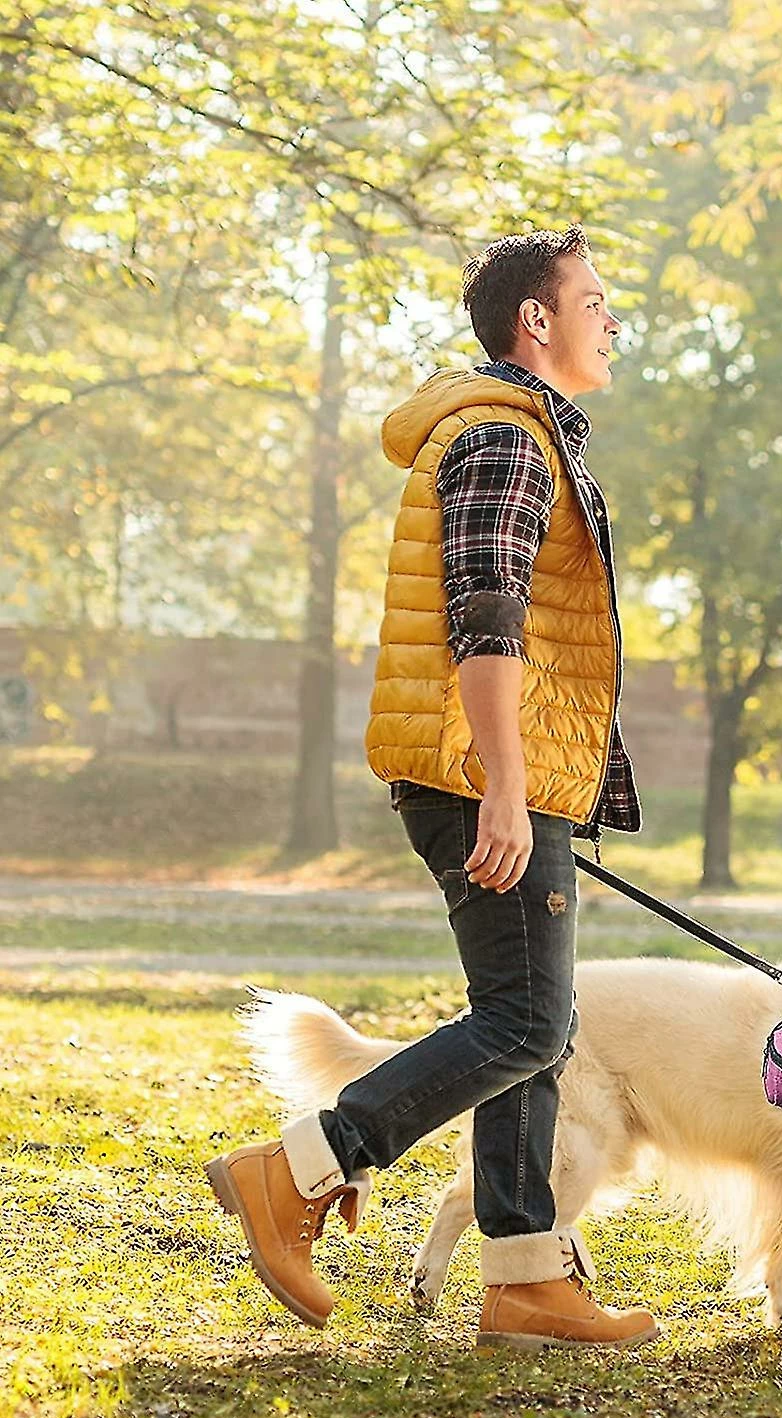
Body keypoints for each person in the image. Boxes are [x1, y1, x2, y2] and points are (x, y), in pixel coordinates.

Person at [206, 224, 659, 1351]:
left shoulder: (530, 434)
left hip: (508, 774)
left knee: (536, 1031)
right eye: (595, 300)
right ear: (536, 320)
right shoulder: (506, 438)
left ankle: (523, 1278)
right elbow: (487, 613)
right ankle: (298, 1168)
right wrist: (507, 787)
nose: (613, 319)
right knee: (529, 1021)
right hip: (478, 776)